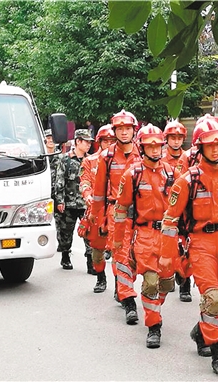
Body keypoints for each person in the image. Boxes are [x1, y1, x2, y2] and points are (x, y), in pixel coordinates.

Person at [160, 118, 218, 378]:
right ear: (199, 147)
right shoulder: (187, 180)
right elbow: (170, 221)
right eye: (210, 144)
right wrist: (168, 257)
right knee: (213, 298)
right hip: (201, 243)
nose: (216, 149)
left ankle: (199, 330)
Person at [114, 124, 181, 348]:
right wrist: (118, 239)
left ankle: (155, 308)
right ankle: (154, 327)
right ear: (141, 148)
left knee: (166, 283)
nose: (155, 150)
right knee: (150, 282)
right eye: (150, 146)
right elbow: (121, 208)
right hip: (144, 235)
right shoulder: (132, 174)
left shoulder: (172, 173)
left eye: (158, 146)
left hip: (169, 235)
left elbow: (184, 206)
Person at [90, 110, 141, 324]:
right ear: (115, 131)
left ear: (133, 131)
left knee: (139, 258)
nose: (124, 132)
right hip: (116, 213)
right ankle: (129, 301)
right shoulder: (106, 157)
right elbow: (99, 191)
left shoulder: (144, 152)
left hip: (142, 214)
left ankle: (125, 285)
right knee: (121, 257)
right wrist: (97, 217)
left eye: (127, 128)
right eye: (120, 129)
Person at [79, 124, 116, 286]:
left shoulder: (123, 162)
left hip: (116, 211)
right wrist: (87, 195)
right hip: (97, 211)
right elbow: (84, 182)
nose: (109, 144)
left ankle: (120, 287)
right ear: (99, 142)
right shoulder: (89, 161)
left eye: (112, 141)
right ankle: (101, 278)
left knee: (119, 252)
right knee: (96, 251)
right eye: (105, 141)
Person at [161, 120, 193, 303]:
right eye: (172, 138)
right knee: (167, 245)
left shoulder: (188, 157)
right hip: (166, 209)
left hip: (185, 210)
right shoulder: (160, 159)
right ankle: (168, 275)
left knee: (185, 246)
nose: (176, 141)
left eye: (179, 138)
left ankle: (185, 285)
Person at [54, 129, 94, 270]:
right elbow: (59, 181)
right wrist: (59, 201)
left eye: (90, 142)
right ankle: (65, 255)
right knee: (66, 233)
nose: (89, 144)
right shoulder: (64, 159)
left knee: (89, 233)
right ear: (78, 141)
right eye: (86, 141)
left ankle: (91, 262)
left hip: (85, 203)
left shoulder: (90, 160)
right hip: (69, 203)